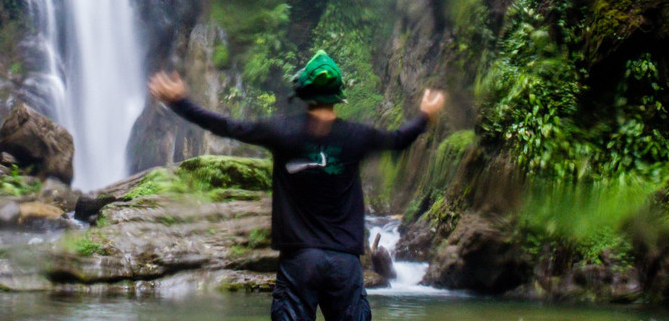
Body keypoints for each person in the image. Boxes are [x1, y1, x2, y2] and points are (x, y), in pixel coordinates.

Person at [147, 51, 445, 321]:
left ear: (304, 93)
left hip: (300, 261)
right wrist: (424, 116)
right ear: (338, 95)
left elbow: (227, 126)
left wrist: (179, 102)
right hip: (344, 262)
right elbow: (398, 139)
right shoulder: (357, 136)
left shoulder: (282, 130)